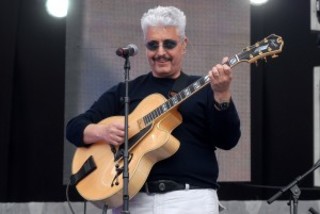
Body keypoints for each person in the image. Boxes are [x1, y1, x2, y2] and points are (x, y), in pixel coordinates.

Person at [66, 5, 241, 214]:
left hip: (191, 199)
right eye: (152, 45)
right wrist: (101, 131)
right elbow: (74, 128)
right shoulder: (126, 90)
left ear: (184, 44)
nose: (160, 52)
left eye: (169, 44)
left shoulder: (204, 88)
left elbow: (228, 140)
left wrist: (222, 95)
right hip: (132, 200)